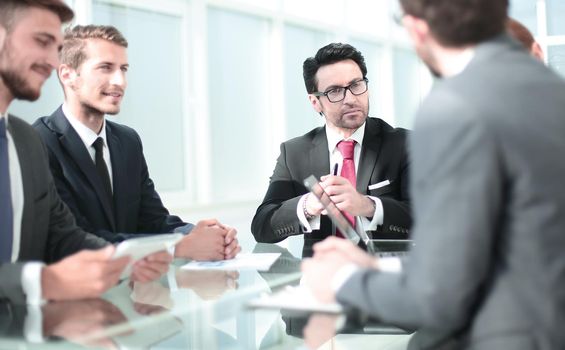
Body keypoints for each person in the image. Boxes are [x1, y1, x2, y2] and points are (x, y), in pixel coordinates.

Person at [301, 0, 565, 348]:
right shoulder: (550, 88)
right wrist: (375, 268)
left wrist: (343, 278)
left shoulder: (454, 108)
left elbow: (438, 298)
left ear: (418, 28)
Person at [0, 0, 170, 305]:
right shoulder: (43, 137)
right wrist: (39, 281)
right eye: (41, 41)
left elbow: (65, 234)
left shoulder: (25, 142)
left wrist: (130, 260)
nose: (52, 62)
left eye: (55, 48)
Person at [33, 25, 240, 261]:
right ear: (67, 74)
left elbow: (153, 221)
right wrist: (177, 248)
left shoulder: (127, 141)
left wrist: (205, 236)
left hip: (134, 289)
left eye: (124, 69)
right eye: (105, 68)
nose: (120, 81)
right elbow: (76, 238)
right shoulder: (39, 143)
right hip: (74, 292)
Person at [251, 43, 411, 255]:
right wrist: (308, 206)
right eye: (335, 91)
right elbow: (262, 226)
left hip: (386, 276)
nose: (351, 99)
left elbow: (429, 217)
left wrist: (368, 206)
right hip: (322, 277)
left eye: (356, 85)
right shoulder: (295, 153)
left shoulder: (404, 144)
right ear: (316, 102)